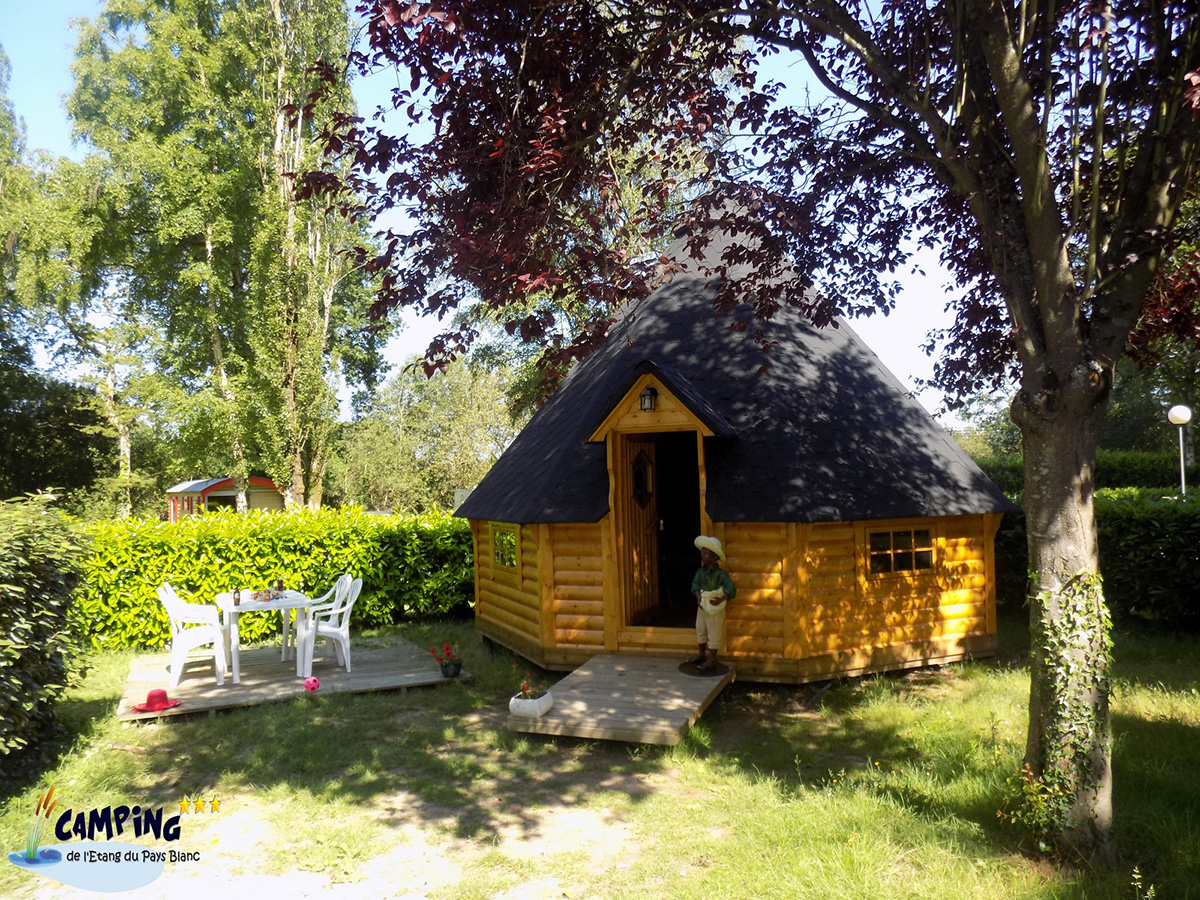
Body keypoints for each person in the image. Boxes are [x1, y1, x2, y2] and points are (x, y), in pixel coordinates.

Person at [690, 535, 736, 670]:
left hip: (714, 607)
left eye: (706, 553)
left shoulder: (721, 574)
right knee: (700, 628)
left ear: (714, 557)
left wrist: (721, 598)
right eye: (702, 553)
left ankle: (712, 659)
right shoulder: (700, 572)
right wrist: (698, 596)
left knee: (714, 631)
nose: (703, 556)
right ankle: (701, 654)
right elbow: (695, 584)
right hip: (702, 606)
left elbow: (731, 588)